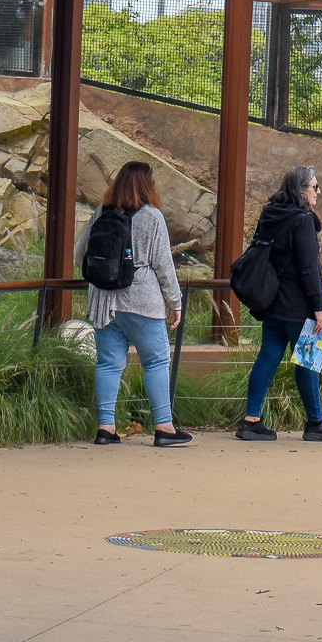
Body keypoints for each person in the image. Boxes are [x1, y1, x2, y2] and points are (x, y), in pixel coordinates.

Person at [73, 162, 192, 447]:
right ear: (147, 185)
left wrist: (104, 278)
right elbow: (164, 265)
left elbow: (80, 255)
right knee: (156, 361)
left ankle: (105, 429)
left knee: (109, 364)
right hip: (142, 301)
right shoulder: (152, 217)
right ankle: (164, 428)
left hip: (103, 301)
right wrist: (175, 302)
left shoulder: (101, 212)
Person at [236, 166, 322, 443]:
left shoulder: (270, 214)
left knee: (268, 356)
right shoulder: (302, 220)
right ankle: (316, 422)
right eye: (314, 186)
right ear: (300, 189)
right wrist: (319, 308)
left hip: (272, 300)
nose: (318, 191)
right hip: (298, 304)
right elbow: (309, 268)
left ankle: (251, 420)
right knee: (308, 361)